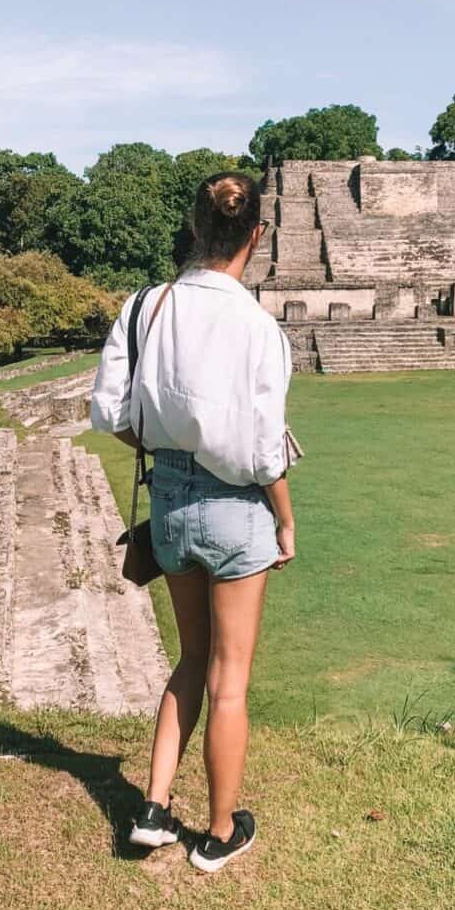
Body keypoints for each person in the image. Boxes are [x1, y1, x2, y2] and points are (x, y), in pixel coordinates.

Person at [90, 171, 296, 873]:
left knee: (189, 657)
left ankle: (152, 808)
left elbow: (111, 413)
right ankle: (218, 832)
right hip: (239, 507)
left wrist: (166, 456)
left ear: (194, 224)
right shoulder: (258, 326)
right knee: (229, 677)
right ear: (257, 236)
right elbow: (266, 450)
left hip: (171, 505)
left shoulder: (148, 305)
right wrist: (287, 522)